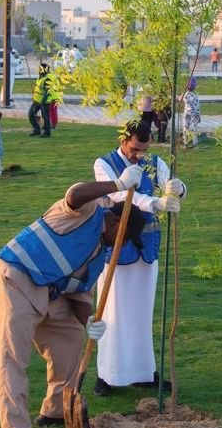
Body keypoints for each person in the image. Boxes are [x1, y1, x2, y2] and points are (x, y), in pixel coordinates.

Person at [0, 169, 148, 428]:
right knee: (13, 360)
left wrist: (91, 322)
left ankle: (56, 410)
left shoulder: (99, 257)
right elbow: (75, 193)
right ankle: (15, 424)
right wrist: (117, 184)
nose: (124, 244)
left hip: (49, 293)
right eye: (127, 238)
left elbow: (79, 294)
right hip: (15, 278)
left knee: (72, 334)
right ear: (118, 224)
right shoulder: (86, 212)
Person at [91, 121, 186, 396]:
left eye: (143, 150)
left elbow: (170, 187)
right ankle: (106, 375)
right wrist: (154, 203)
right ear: (123, 141)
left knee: (143, 313)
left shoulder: (153, 161)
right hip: (118, 246)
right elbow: (116, 194)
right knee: (112, 310)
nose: (138, 155)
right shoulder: (104, 163)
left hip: (148, 247)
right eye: (134, 149)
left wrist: (179, 190)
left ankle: (144, 372)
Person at [29, 62, 53, 138]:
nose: (39, 70)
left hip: (44, 102)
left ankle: (47, 132)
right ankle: (37, 130)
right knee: (30, 114)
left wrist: (43, 101)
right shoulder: (40, 77)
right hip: (36, 101)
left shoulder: (47, 79)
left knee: (45, 117)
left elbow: (47, 92)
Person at [181, 76, 202, 147]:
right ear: (194, 87)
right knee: (194, 129)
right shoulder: (195, 97)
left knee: (185, 128)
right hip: (194, 114)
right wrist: (199, 117)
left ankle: (186, 142)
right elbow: (197, 108)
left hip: (187, 113)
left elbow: (180, 99)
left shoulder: (185, 95)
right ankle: (194, 143)